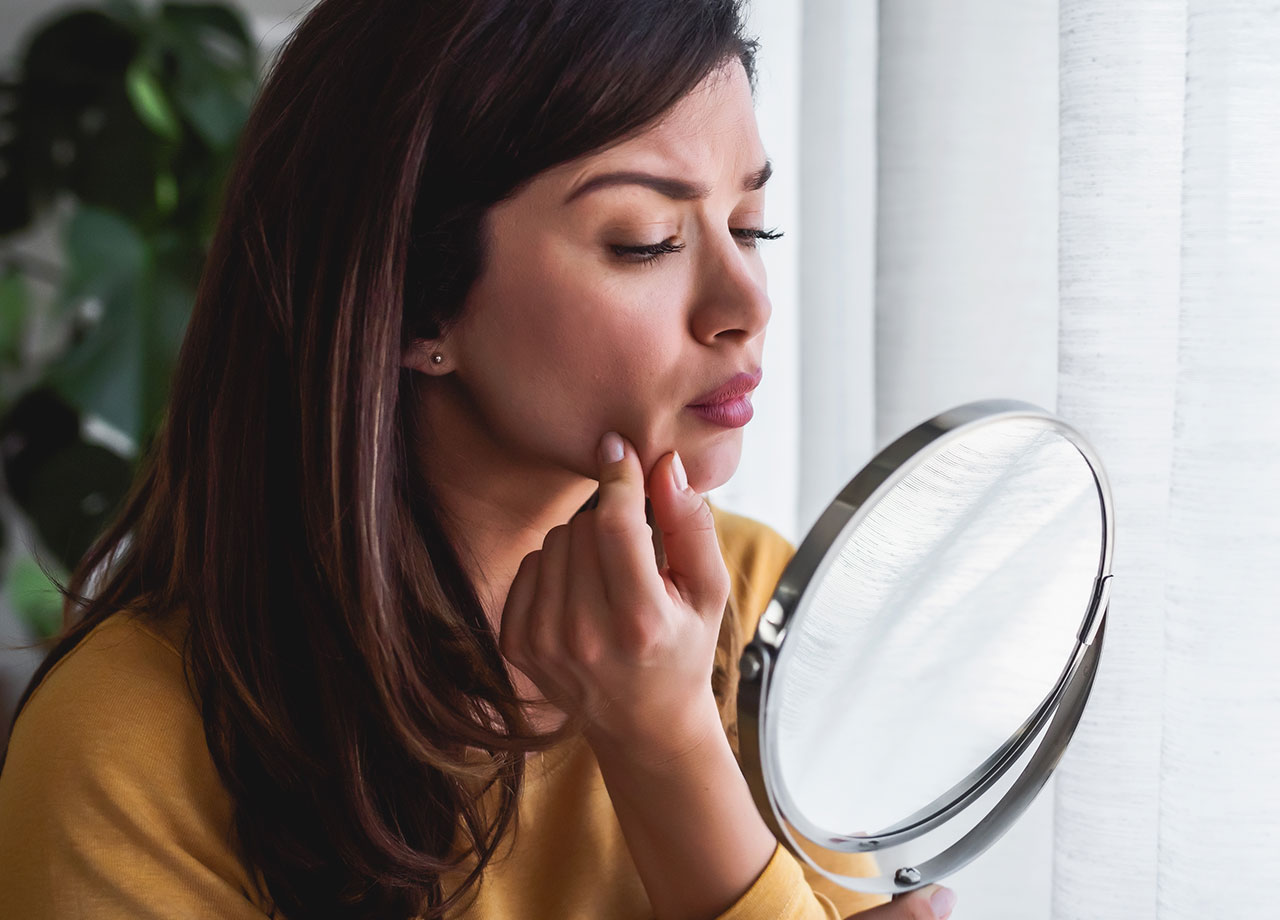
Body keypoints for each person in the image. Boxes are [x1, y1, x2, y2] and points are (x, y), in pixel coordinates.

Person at [0, 1, 959, 918]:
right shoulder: (134, 740)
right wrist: (666, 744)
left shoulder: (755, 600)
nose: (746, 301)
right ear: (420, 301)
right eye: (648, 241)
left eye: (751, 228)